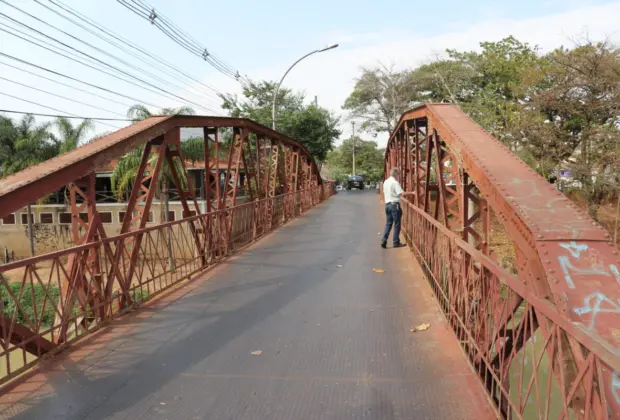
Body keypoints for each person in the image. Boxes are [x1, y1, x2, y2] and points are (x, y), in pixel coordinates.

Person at [381, 167, 406, 249]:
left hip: (387, 205)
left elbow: (385, 192)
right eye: (398, 174)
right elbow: (402, 193)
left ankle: (384, 240)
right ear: (395, 173)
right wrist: (412, 193)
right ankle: (396, 242)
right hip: (395, 205)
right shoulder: (395, 182)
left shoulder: (386, 182)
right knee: (397, 224)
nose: (399, 175)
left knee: (388, 223)